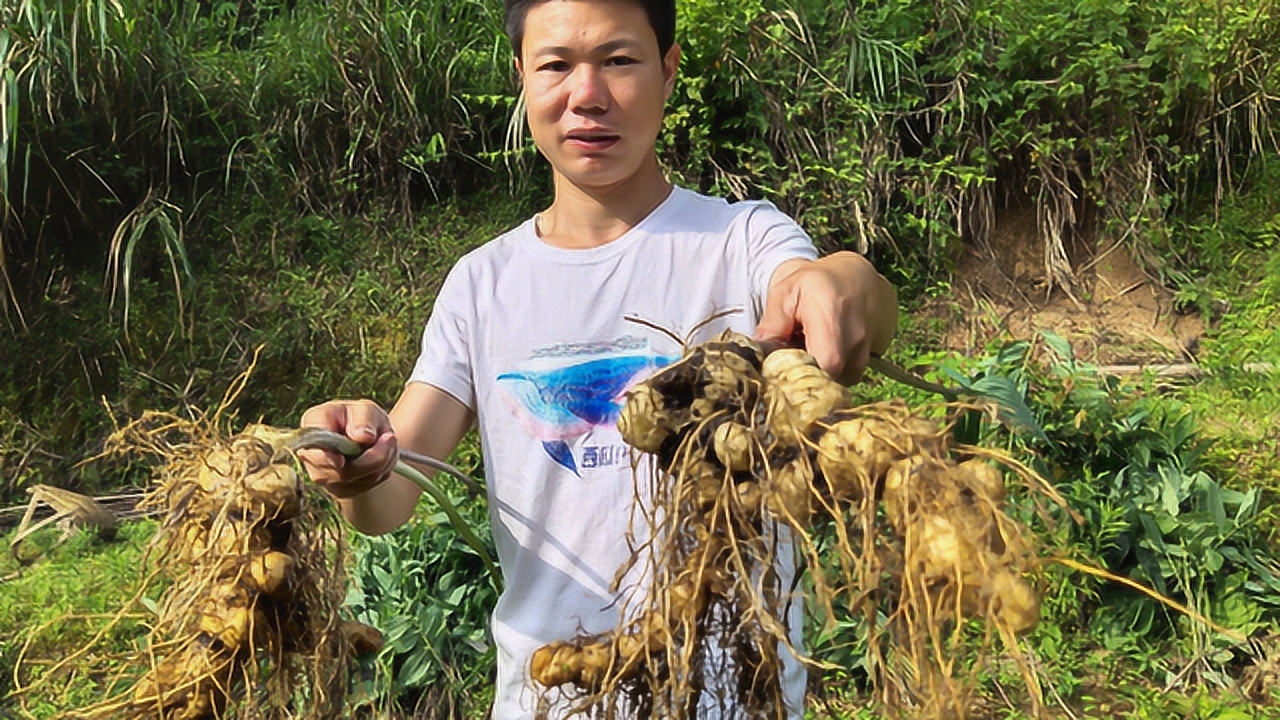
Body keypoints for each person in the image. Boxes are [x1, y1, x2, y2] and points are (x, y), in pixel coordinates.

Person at [298, 0, 898, 716]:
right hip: (551, 693)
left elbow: (851, 299)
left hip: (735, 695)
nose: (588, 94)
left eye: (619, 60)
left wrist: (842, 279)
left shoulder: (741, 240)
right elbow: (391, 492)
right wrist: (358, 457)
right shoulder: (483, 284)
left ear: (669, 70)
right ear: (521, 74)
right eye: (556, 65)